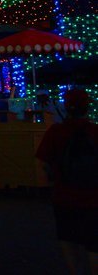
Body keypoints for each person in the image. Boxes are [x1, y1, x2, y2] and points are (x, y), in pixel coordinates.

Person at [35, 88, 98, 275]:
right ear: (87, 107)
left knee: (68, 239)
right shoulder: (95, 131)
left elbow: (41, 161)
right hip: (94, 197)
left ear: (65, 107)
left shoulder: (56, 131)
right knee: (94, 244)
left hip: (64, 195)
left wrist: (52, 177)